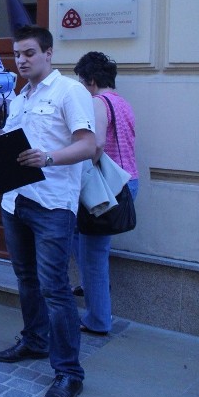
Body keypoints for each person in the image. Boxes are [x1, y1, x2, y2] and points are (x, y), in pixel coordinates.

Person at [0, 26, 96, 397]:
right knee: (26, 279)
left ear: (48, 53)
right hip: (16, 202)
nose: (22, 60)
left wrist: (49, 157)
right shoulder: (21, 96)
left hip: (52, 206)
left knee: (55, 290)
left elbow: (89, 145)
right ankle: (34, 341)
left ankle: (68, 373)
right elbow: (6, 145)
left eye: (29, 53)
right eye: (17, 54)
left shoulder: (70, 91)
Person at [72, 51, 138, 336]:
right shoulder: (123, 103)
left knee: (94, 256)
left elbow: (96, 145)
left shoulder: (98, 102)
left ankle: (98, 319)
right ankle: (90, 285)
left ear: (93, 81)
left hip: (105, 188)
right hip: (127, 182)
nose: (81, 88)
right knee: (83, 238)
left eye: (82, 82)